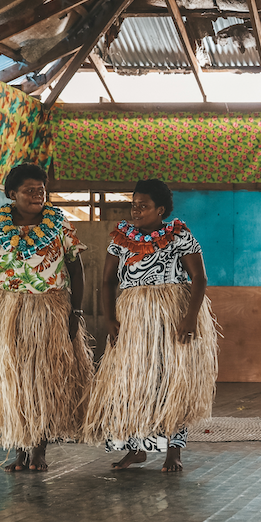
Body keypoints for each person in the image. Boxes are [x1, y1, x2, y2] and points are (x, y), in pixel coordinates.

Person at [81, 180, 218, 472]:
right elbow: (107, 281)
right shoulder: (121, 238)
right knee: (129, 384)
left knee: (171, 379)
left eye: (143, 206)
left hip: (171, 314)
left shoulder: (179, 235)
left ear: (161, 210)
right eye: (134, 205)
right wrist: (110, 319)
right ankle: (135, 449)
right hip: (133, 317)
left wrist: (191, 317)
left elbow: (200, 279)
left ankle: (173, 450)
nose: (136, 211)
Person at [0, 163, 93, 472]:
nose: (38, 195)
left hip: (48, 312)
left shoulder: (60, 224)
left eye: (42, 190)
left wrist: (76, 311)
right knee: (13, 382)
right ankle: (19, 449)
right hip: (3, 313)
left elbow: (76, 271)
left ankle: (39, 449)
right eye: (29, 190)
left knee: (42, 379)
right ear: (13, 194)